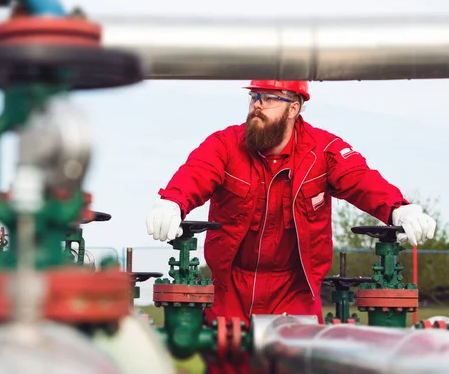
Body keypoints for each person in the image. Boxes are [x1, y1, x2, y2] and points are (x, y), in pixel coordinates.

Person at [145, 80, 437, 374]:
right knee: (227, 363)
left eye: (269, 98)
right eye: (254, 97)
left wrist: (399, 209)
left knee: (297, 364)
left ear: (294, 108)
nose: (257, 105)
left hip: (294, 290)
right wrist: (172, 202)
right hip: (231, 288)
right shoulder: (225, 145)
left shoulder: (324, 151)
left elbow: (361, 180)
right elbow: (197, 171)